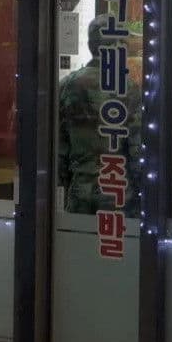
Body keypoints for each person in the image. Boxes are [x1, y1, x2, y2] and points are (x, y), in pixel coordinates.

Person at [57, 14, 142, 215]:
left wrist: (64, 186)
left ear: (90, 45)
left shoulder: (67, 85)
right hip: (118, 190)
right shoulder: (127, 88)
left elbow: (59, 149)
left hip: (79, 190)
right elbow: (136, 149)